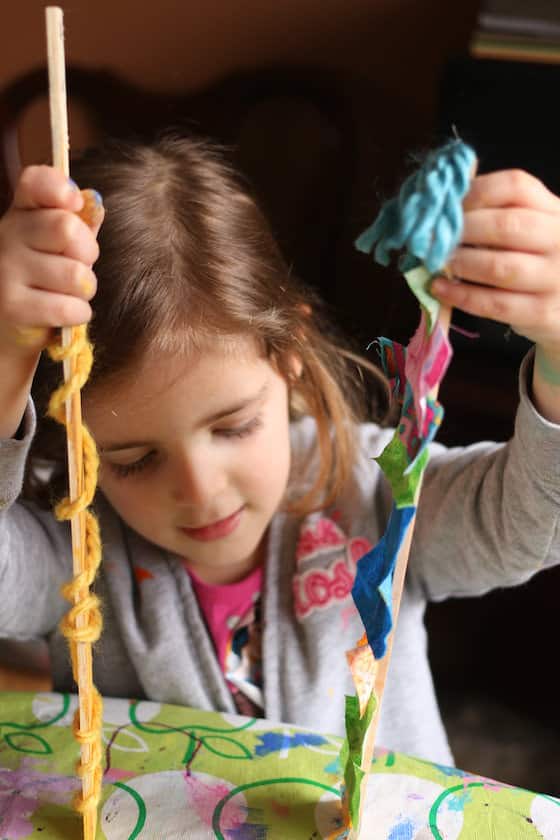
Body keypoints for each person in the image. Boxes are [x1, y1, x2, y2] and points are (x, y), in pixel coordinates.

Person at [0, 136, 559, 766]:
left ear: (289, 353)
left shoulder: (375, 497)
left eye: (234, 426)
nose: (201, 489)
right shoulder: (77, 546)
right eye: (133, 461)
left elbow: (529, 526)